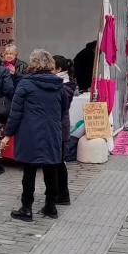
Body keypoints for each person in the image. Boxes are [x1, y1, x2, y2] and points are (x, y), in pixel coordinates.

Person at [2, 49, 70, 222]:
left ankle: (26, 208)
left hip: (29, 131)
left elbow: (15, 112)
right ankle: (50, 206)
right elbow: (64, 109)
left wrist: (7, 135)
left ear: (33, 64)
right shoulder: (59, 85)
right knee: (51, 168)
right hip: (52, 131)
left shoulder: (25, 84)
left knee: (30, 170)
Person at [53, 55, 78, 206]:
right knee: (57, 162)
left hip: (61, 127)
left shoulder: (67, 84)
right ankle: (58, 192)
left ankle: (63, 194)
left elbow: (63, 104)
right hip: (58, 126)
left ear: (59, 69)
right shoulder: (61, 82)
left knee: (59, 162)